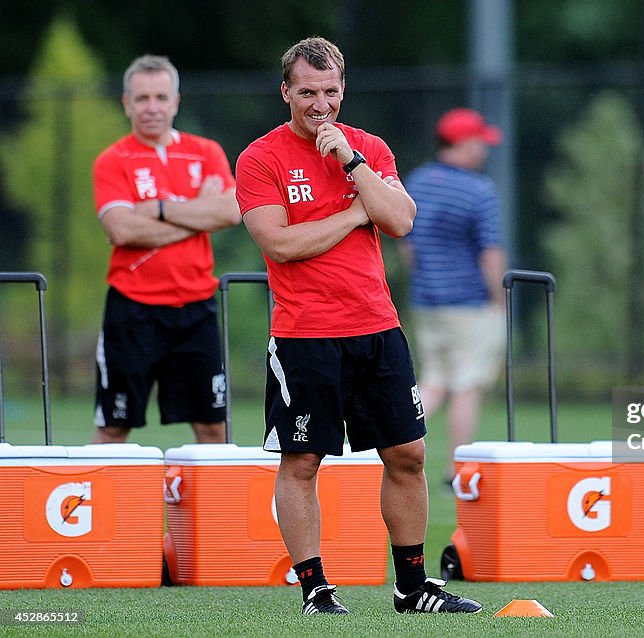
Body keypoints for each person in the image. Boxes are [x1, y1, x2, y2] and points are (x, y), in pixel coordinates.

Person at [234, 37, 482, 616]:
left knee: (410, 455)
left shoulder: (366, 148)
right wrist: (352, 211)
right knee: (302, 462)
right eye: (307, 92)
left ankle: (413, 588)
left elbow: (398, 220)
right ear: (286, 92)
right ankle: (315, 589)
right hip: (304, 333)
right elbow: (281, 243)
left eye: (330, 92)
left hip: (377, 326)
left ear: (342, 90)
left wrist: (350, 162)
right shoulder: (260, 158)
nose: (320, 104)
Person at [91, 55, 240, 444]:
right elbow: (121, 228)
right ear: (127, 103)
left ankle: (214, 508)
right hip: (132, 309)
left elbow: (230, 210)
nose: (152, 107)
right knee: (113, 425)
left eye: (161, 96)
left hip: (196, 308)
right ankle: (107, 507)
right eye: (142, 98)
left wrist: (159, 209)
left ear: (176, 101)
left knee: (213, 427)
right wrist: (196, 216)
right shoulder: (112, 160)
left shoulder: (206, 152)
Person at [401, 108, 507, 483]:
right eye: (479, 142)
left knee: (432, 382)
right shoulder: (479, 190)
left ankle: (385, 450)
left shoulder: (417, 181)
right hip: (469, 303)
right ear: (462, 144)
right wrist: (499, 299)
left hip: (427, 300)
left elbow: (407, 245)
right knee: (467, 384)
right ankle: (456, 470)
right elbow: (490, 252)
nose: (484, 150)